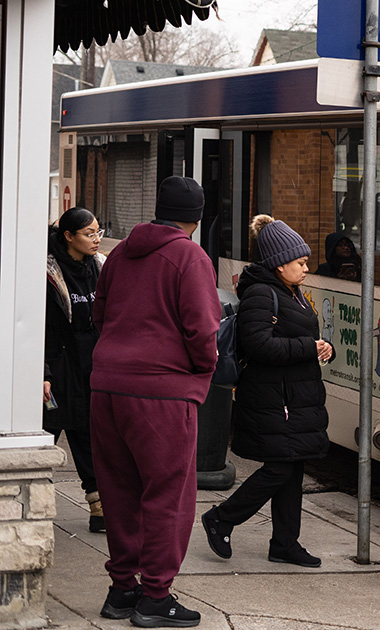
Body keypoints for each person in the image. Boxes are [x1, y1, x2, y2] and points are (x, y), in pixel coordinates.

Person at [89, 176, 220, 628]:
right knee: (168, 495)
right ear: (198, 217)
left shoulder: (120, 252)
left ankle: (122, 588)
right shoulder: (191, 256)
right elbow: (203, 330)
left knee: (118, 489)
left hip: (106, 385)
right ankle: (155, 597)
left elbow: (100, 314)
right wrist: (202, 371)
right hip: (161, 392)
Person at [201, 216, 332, 569]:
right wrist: (307, 347)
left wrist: (323, 347)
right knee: (279, 469)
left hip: (292, 397)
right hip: (273, 399)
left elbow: (298, 336)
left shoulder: (292, 292)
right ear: (279, 263)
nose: (306, 268)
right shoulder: (261, 293)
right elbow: (258, 345)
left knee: (291, 469)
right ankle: (222, 518)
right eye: (301, 263)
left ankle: (285, 543)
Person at [43, 207, 106, 533]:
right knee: (44, 436)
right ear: (69, 236)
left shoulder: (101, 266)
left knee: (88, 434)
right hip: (57, 368)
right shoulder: (49, 272)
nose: (97, 239)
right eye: (89, 233)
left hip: (92, 366)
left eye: (98, 231)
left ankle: (100, 510)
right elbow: (38, 326)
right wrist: (41, 370)